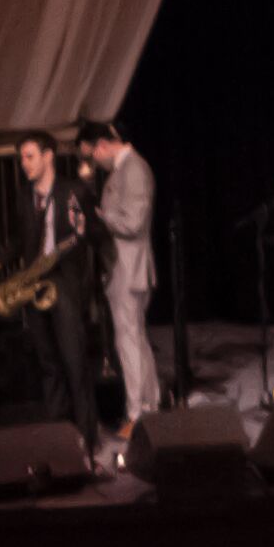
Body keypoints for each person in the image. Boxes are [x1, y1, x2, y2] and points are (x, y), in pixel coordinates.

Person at [0, 132, 101, 434]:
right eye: (21, 158)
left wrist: (84, 224)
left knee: (75, 364)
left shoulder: (73, 191)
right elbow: (20, 240)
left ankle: (87, 438)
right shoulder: (23, 196)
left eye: (29, 156)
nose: (24, 164)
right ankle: (60, 434)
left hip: (64, 287)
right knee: (49, 365)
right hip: (34, 288)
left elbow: (93, 235)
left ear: (48, 156)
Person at [80, 118, 161, 421]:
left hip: (130, 269)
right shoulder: (125, 170)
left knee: (128, 341)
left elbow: (133, 222)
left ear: (102, 146)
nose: (93, 163)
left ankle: (137, 412)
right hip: (125, 268)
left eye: (91, 155)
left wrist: (99, 216)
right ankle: (149, 408)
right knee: (134, 338)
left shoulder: (134, 169)